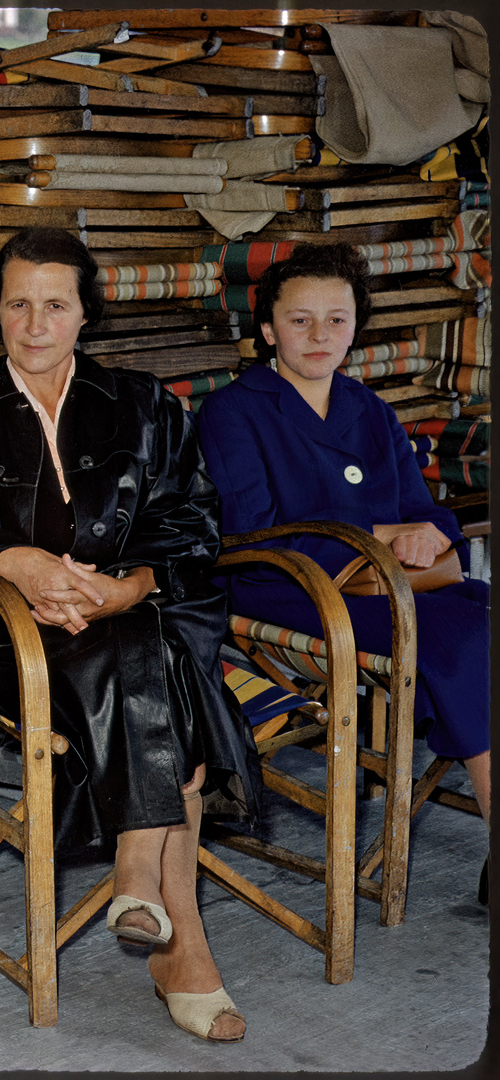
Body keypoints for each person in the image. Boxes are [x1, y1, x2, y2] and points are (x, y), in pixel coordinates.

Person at [0, 227, 261, 1042]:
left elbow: (192, 526)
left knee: (143, 642)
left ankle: (152, 897)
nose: (35, 322)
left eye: (55, 303)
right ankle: (170, 926)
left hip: (136, 611)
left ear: (85, 315)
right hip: (5, 634)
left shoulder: (145, 406)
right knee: (163, 671)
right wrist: (15, 563)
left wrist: (124, 588)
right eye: (17, 303)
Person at [196, 242, 490, 890]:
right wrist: (381, 534)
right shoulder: (232, 412)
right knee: (460, 639)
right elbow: (249, 533)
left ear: (355, 326)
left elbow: (424, 508)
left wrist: (422, 534)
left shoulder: (370, 411)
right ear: (267, 328)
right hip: (283, 587)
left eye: (336, 318)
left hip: (382, 583)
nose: (319, 334)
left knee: (485, 614)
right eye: (299, 319)